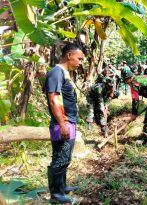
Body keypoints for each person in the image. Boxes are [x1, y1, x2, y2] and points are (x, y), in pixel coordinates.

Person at [45, 43, 84, 203]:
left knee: (64, 157)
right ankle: (56, 195)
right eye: (79, 58)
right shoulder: (56, 73)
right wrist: (62, 124)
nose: (80, 62)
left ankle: (62, 187)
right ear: (69, 55)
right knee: (60, 158)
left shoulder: (64, 73)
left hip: (69, 121)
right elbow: (53, 99)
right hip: (62, 123)